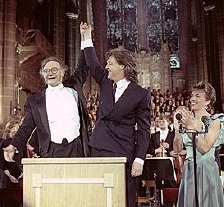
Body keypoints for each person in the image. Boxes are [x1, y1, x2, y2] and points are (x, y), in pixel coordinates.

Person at [80, 22, 151, 207]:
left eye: (110, 64)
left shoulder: (140, 94)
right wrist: (86, 36)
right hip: (99, 147)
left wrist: (139, 159)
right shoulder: (105, 82)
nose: (106, 67)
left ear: (123, 67)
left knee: (123, 198)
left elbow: (144, 130)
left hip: (123, 151)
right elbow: (92, 62)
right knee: (97, 196)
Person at [3, 51, 90, 160]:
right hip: (51, 151)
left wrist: (85, 37)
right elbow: (26, 127)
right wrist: (13, 145)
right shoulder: (35, 101)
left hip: (76, 148)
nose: (50, 73)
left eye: (54, 70)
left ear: (62, 72)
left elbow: (82, 67)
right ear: (43, 75)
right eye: (46, 71)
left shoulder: (74, 89)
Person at [173, 81, 224, 206]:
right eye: (192, 95)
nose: (192, 99)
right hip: (189, 169)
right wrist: (177, 129)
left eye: (198, 96)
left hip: (207, 169)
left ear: (208, 102)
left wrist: (190, 126)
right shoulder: (186, 120)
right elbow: (177, 149)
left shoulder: (215, 121)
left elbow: (205, 147)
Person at [0, 120, 23, 188]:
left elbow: (25, 157)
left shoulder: (22, 143)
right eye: (13, 131)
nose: (15, 132)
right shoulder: (4, 143)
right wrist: (9, 175)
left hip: (20, 176)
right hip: (6, 176)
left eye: (17, 130)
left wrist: (23, 173)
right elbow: (1, 162)